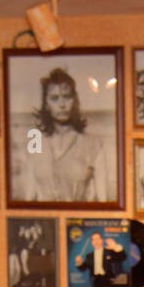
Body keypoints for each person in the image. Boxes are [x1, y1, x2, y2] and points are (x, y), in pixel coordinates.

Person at [23, 68, 108, 202]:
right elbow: (28, 198)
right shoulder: (35, 143)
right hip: (44, 221)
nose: (62, 104)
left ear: (74, 101)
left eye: (67, 97)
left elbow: (104, 202)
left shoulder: (93, 145)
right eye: (54, 99)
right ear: (46, 104)